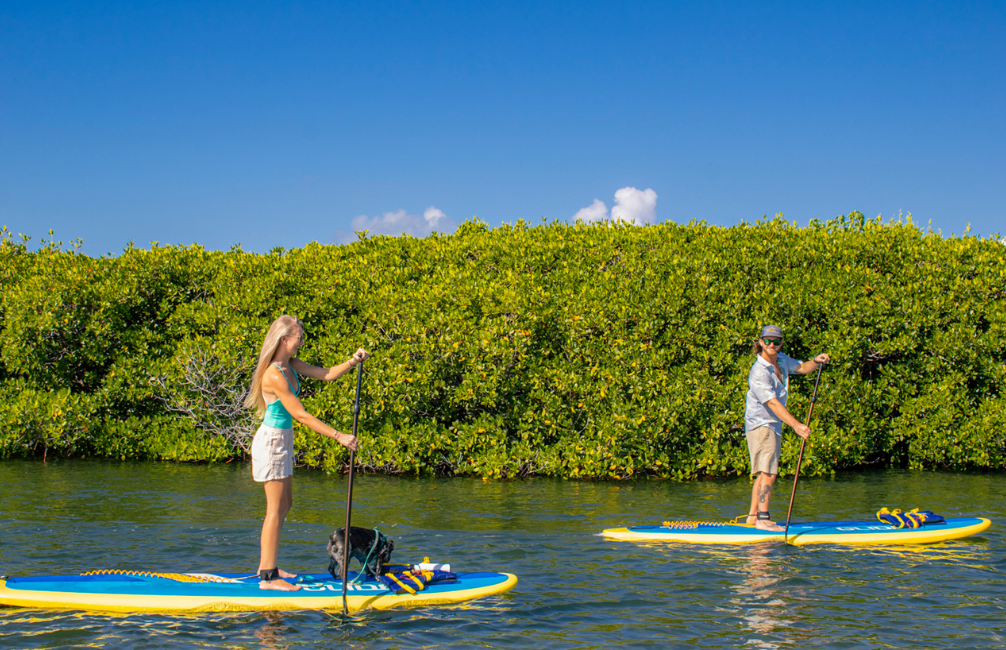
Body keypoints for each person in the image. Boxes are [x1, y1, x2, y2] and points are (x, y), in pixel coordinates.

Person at [244, 314, 370, 590]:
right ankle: (267, 577)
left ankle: (271, 565)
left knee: (285, 505)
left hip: (283, 441)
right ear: (284, 339)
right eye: (299, 338)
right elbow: (300, 415)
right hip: (272, 443)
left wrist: (353, 360)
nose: (301, 342)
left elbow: (326, 374)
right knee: (274, 510)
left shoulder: (289, 364)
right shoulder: (273, 374)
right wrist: (339, 436)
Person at [744, 325, 829, 531]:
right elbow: (772, 403)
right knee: (769, 472)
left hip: (772, 424)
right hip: (762, 424)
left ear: (780, 343)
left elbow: (801, 367)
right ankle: (763, 519)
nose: (772, 345)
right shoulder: (758, 371)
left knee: (765, 470)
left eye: (776, 341)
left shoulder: (781, 360)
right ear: (761, 343)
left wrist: (816, 361)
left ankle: (753, 517)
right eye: (768, 341)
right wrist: (797, 425)